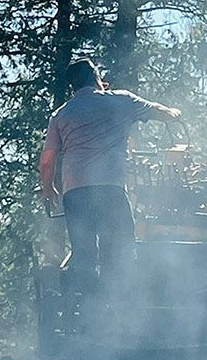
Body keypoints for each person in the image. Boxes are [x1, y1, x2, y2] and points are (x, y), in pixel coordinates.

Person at [38, 59, 181, 314]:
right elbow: (158, 111)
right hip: (110, 190)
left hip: (76, 193)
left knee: (83, 254)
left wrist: (48, 189)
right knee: (118, 251)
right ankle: (116, 311)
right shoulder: (121, 100)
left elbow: (48, 159)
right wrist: (174, 113)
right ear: (96, 76)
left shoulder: (61, 114)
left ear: (73, 85)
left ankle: (88, 311)